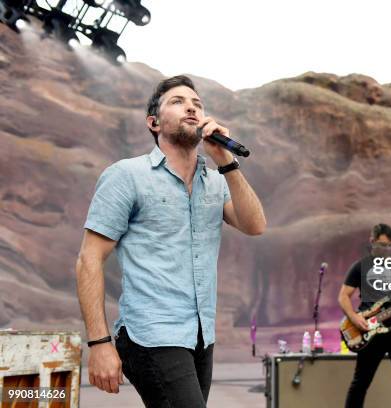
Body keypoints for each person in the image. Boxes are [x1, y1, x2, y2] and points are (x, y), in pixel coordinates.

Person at [75, 75, 266, 407]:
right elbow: (89, 259)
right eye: (177, 102)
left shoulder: (215, 180)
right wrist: (99, 343)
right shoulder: (126, 176)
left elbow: (255, 225)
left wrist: (226, 161)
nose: (191, 107)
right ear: (154, 122)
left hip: (200, 336)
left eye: (197, 103)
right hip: (150, 334)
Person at [338, 223, 391, 408]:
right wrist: (354, 318)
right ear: (371, 242)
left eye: (388, 246)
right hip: (369, 330)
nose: (385, 249)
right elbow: (343, 296)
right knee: (360, 383)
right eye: (380, 245)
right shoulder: (360, 266)